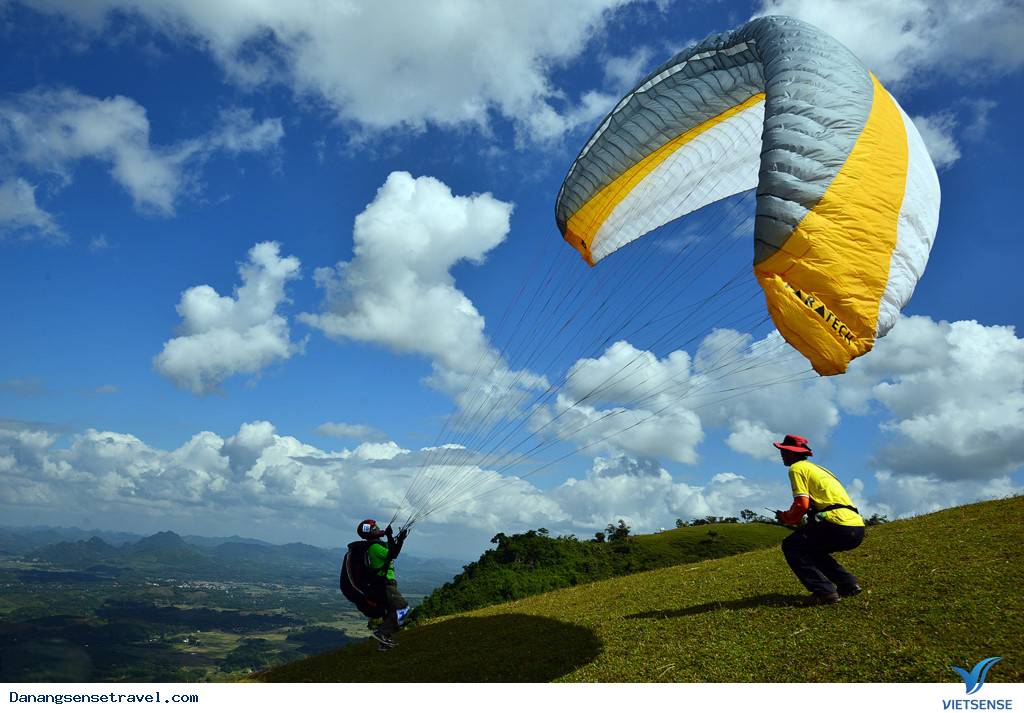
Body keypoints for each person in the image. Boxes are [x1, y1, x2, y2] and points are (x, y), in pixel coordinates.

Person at [773, 434, 865, 606]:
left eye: (784, 451)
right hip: (856, 526)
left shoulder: (796, 468)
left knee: (792, 545)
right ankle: (848, 584)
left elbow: (801, 504)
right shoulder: (820, 469)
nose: (782, 455)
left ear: (793, 453)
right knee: (813, 549)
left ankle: (825, 592)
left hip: (835, 523)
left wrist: (787, 518)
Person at [350, 518, 410, 649]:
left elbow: (392, 549)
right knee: (403, 608)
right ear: (371, 532)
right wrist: (399, 539)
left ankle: (383, 644)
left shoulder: (378, 545)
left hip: (385, 584)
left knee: (390, 612)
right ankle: (381, 631)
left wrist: (391, 537)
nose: (378, 528)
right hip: (385, 584)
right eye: (375, 528)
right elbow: (393, 554)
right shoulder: (374, 547)